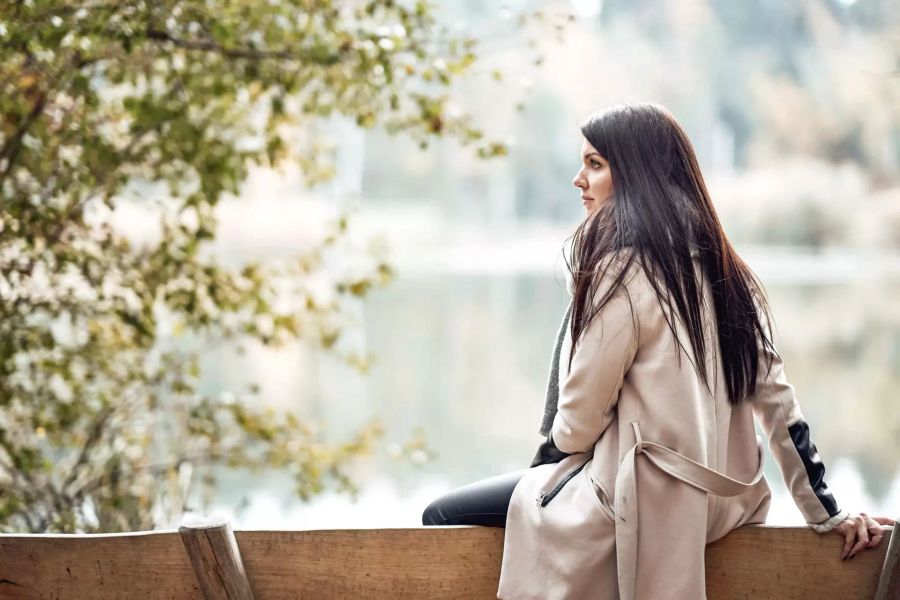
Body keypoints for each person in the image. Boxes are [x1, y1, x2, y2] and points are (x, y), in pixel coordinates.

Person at [420, 103, 894, 599]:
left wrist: (553, 458)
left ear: (636, 176)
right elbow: (781, 410)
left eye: (595, 165)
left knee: (444, 515)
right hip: (725, 502)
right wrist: (828, 513)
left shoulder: (620, 272)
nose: (578, 180)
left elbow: (578, 423)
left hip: (644, 500)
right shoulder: (731, 274)